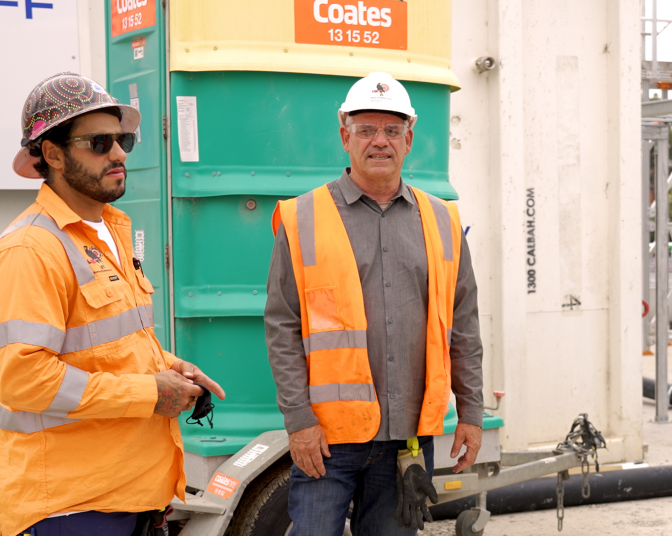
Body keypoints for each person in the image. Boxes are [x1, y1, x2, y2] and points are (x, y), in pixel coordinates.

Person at [0, 73, 226, 536]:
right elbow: (22, 378)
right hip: (72, 509)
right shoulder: (30, 249)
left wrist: (170, 367)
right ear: (53, 154)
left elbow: (106, 343)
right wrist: (150, 393)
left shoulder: (109, 234)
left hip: (129, 496)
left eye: (123, 139)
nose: (120, 153)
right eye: (99, 142)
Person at [264, 71, 484, 535]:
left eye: (391, 130)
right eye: (366, 129)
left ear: (409, 138)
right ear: (345, 136)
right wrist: (299, 422)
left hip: (408, 438)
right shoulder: (302, 217)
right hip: (327, 440)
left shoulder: (442, 220)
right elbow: (282, 327)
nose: (379, 141)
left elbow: (462, 325)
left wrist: (471, 413)